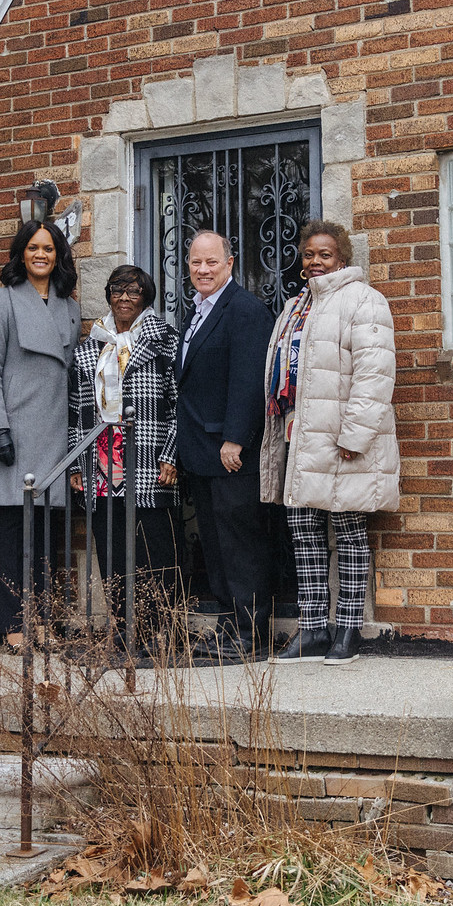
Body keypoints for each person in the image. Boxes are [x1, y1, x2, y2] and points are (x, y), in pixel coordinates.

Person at [260, 222, 399, 666]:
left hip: (342, 440)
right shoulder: (295, 306)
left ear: (342, 257)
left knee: (350, 532)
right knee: (303, 532)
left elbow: (374, 374)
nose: (315, 261)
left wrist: (355, 435)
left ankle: (348, 630)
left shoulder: (364, 301)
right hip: (300, 437)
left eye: (325, 253)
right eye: (308, 254)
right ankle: (314, 628)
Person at [0, 220, 83, 648]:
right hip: (16, 429)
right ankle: (13, 625)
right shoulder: (3, 300)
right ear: (21, 253)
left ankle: (41, 622)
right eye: (33, 247)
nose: (41, 254)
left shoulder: (69, 305)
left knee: (46, 536)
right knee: (13, 534)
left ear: (58, 255)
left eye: (49, 248)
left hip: (54, 430)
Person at [174, 230, 275, 663]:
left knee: (240, 544)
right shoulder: (196, 312)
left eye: (211, 262)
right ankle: (230, 627)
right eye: (196, 263)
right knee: (215, 545)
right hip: (200, 452)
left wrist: (236, 437)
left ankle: (252, 633)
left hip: (231, 452)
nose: (202, 270)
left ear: (230, 264)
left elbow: (250, 380)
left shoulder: (246, 310)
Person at [68, 264, 182, 636]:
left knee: (156, 551)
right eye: (118, 290)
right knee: (113, 551)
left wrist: (171, 454)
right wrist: (76, 466)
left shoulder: (164, 339)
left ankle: (159, 633)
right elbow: (78, 410)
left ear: (146, 297)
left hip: (151, 460)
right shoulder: (91, 346)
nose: (125, 298)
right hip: (102, 468)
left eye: (134, 291)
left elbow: (180, 403)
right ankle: (121, 630)